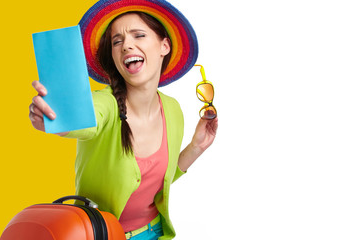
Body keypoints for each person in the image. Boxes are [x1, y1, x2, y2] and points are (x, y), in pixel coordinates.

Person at [29, 0, 218, 239]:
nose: (126, 45)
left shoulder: (173, 109)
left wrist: (196, 147)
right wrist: (55, 119)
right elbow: (84, 122)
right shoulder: (105, 103)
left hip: (156, 231)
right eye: (117, 41)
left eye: (138, 35)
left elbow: (160, 182)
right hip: (101, 234)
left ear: (164, 46)